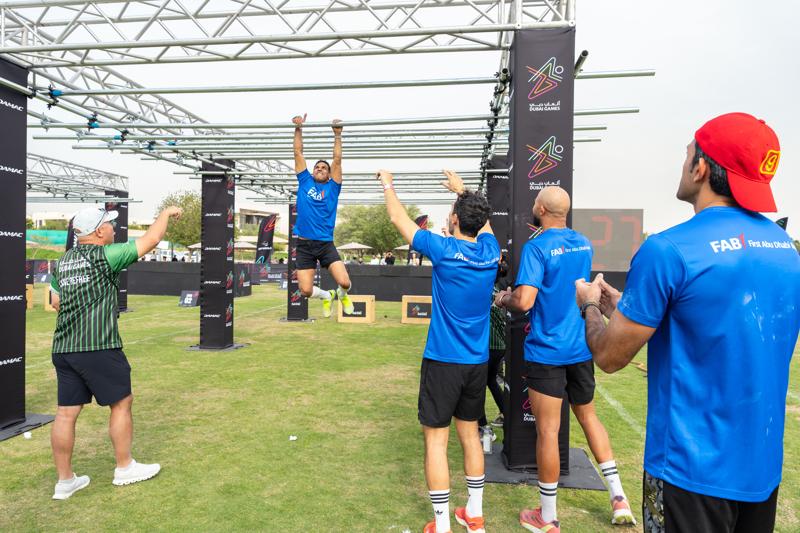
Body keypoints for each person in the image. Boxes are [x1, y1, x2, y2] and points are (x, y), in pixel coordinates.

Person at [575, 113, 800, 533]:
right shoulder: (784, 247)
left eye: (687, 155)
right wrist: (630, 308)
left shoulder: (668, 248)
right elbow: (718, 321)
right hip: (759, 470)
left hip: (688, 472)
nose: (682, 165)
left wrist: (589, 305)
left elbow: (608, 356)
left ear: (700, 168)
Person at [495, 186, 635, 532]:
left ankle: (548, 517)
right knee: (589, 417)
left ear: (541, 209)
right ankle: (619, 498)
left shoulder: (537, 247)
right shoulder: (583, 243)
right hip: (581, 346)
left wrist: (503, 298)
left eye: (535, 201)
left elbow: (525, 301)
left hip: (548, 350)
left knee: (547, 430)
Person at [378, 168, 499, 533]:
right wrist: (463, 192)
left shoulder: (444, 249)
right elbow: (485, 224)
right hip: (476, 364)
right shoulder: (490, 251)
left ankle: (443, 524)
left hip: (444, 362)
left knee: (436, 440)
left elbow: (398, 218)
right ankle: (474, 515)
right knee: (470, 436)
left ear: (455, 220)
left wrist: (387, 183)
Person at [48, 205, 183, 500]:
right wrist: (165, 214)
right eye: (109, 224)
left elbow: (55, 301)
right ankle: (124, 467)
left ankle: (65, 481)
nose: (113, 228)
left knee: (66, 414)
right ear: (99, 232)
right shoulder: (106, 255)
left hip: (63, 348)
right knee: (122, 403)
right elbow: (151, 240)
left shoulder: (62, 262)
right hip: (98, 345)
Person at [292, 113, 354, 318]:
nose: (320, 169)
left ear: (329, 174)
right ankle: (327, 295)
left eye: (324, 168)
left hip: (325, 244)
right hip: (304, 245)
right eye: (317, 167)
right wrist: (298, 128)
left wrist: (337, 135)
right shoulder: (305, 181)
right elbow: (298, 152)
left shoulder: (333, 187)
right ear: (312, 172)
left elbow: (337, 160)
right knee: (305, 291)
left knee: (345, 282)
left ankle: (341, 294)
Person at [479, 254, 510, 440]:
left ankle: (482, 426)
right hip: (497, 346)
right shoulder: (495, 290)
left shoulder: (488, 292)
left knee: (478, 385)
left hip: (492, 346)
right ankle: (507, 414)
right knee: (490, 381)